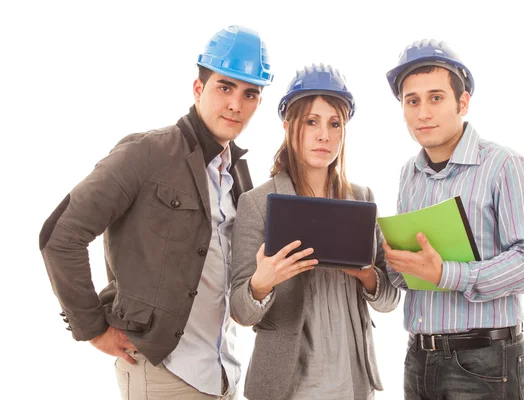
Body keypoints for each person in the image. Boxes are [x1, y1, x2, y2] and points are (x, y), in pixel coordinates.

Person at [38, 25, 273, 400]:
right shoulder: (147, 154)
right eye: (225, 88)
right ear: (198, 89)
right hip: (164, 374)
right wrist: (93, 328)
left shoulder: (238, 172)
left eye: (250, 94)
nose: (236, 105)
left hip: (223, 373)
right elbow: (61, 235)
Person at [383, 39, 524, 399]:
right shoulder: (408, 175)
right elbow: (410, 276)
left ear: (462, 102)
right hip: (418, 359)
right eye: (411, 101)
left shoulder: (504, 166)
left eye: (436, 98)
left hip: (484, 363)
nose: (423, 113)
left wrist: (449, 274)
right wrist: (391, 264)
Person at [229, 63, 401, 400]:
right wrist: (263, 281)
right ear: (288, 125)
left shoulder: (362, 199)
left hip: (352, 382)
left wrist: (366, 275)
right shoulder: (257, 202)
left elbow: (390, 299)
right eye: (311, 122)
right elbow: (240, 311)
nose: (324, 135)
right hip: (286, 386)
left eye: (334, 124)